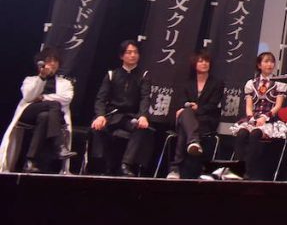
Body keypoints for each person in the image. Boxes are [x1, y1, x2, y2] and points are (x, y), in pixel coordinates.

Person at [0, 48, 74, 173]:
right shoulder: (30, 80)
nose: (53, 64)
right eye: (49, 60)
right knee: (54, 104)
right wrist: (42, 77)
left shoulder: (65, 83)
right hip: (29, 112)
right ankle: (59, 146)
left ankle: (30, 161)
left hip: (51, 115)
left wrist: (43, 97)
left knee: (45, 116)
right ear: (41, 63)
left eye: (55, 61)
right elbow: (28, 97)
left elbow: (66, 99)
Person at [90, 40, 155, 177]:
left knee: (141, 129)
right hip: (112, 115)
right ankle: (105, 164)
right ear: (121, 56)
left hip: (129, 117)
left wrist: (143, 116)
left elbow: (145, 98)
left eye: (135, 52)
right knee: (97, 127)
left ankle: (126, 164)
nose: (133, 55)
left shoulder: (143, 76)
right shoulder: (112, 74)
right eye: (129, 52)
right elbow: (100, 99)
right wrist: (100, 115)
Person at [226, 51, 287, 180]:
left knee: (255, 134)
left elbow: (278, 106)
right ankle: (236, 170)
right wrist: (251, 119)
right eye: (266, 61)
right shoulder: (251, 84)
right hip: (253, 118)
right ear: (259, 65)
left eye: (272, 62)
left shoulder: (279, 83)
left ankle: (248, 171)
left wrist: (265, 117)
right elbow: (249, 106)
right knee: (242, 133)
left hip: (270, 119)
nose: (270, 64)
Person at [166, 50, 224, 180]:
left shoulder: (217, 83)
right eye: (200, 61)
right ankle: (193, 141)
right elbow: (182, 101)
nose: (204, 63)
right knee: (186, 115)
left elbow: (213, 105)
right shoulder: (187, 83)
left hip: (206, 120)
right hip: (190, 119)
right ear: (194, 64)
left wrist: (196, 109)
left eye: (206, 61)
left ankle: (175, 168)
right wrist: (188, 108)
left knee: (184, 125)